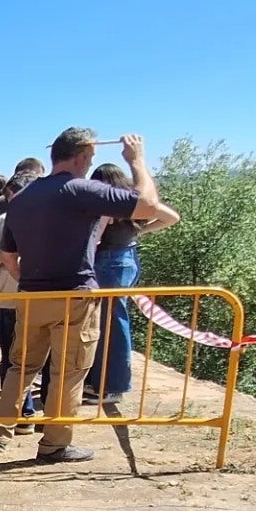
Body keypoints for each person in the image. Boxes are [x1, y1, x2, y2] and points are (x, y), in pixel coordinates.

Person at [0, 130, 179, 463]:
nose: (89, 164)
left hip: (31, 298)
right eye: (88, 159)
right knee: (69, 372)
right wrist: (137, 160)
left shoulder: (23, 198)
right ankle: (55, 444)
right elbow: (147, 205)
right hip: (74, 297)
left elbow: (8, 256)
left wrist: (31, 282)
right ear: (82, 156)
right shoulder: (83, 190)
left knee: (20, 367)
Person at [83, 161, 178, 406]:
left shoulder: (107, 204)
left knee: (110, 324)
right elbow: (170, 217)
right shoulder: (131, 202)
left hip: (109, 262)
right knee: (113, 322)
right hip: (126, 259)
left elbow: (96, 237)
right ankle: (105, 382)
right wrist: (137, 233)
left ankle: (111, 385)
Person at [0, 168, 39, 427]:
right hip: (48, 299)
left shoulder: (3, 221)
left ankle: (18, 415)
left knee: (13, 358)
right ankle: (46, 416)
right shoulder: (56, 219)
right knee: (44, 358)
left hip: (9, 298)